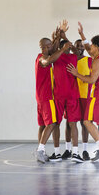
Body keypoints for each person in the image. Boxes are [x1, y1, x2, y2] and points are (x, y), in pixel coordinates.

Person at [66, 22, 99, 162]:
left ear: (97, 47)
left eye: (92, 44)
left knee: (86, 121)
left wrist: (76, 73)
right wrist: (81, 34)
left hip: (97, 95)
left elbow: (91, 80)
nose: (89, 47)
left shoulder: (97, 61)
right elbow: (86, 47)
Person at [35, 25, 71, 163]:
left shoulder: (45, 53)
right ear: (44, 48)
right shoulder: (42, 59)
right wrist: (63, 48)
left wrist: (59, 35)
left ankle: (40, 150)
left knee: (43, 125)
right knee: (53, 123)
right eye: (49, 46)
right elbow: (49, 60)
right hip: (46, 97)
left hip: (40, 98)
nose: (52, 47)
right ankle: (40, 151)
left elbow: (52, 50)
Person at [51, 26, 83, 163]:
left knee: (73, 124)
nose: (69, 48)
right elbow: (52, 49)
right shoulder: (56, 57)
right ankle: (57, 152)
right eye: (66, 47)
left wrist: (65, 37)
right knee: (55, 123)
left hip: (71, 96)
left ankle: (75, 153)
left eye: (69, 47)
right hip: (58, 96)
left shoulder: (73, 56)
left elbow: (77, 50)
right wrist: (58, 37)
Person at [73, 39, 93, 161]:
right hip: (73, 96)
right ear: (74, 48)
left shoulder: (89, 60)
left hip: (85, 96)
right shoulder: (71, 60)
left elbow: (92, 76)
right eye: (77, 46)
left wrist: (80, 76)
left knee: (84, 123)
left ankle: (85, 150)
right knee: (71, 124)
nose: (80, 48)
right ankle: (69, 150)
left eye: (82, 46)